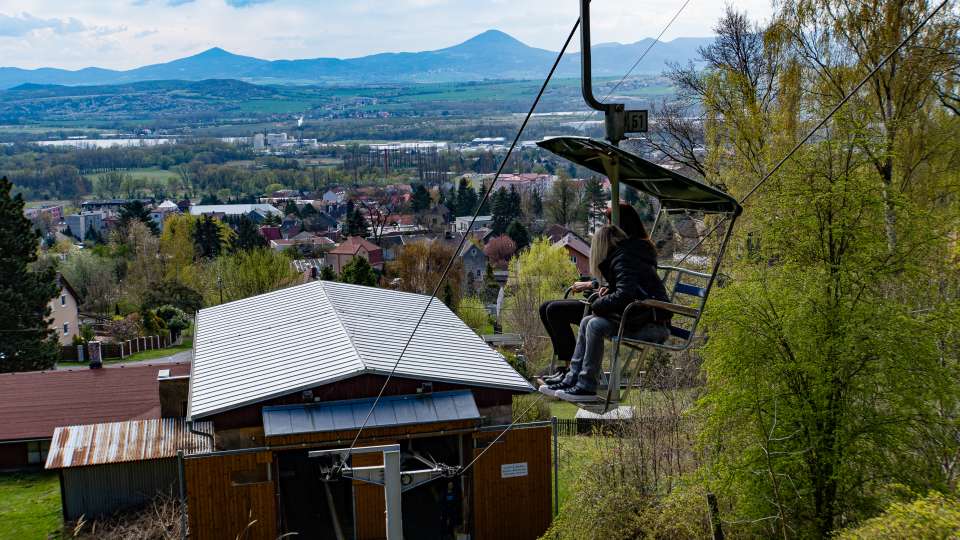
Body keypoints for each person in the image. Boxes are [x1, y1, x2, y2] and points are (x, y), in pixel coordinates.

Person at [540, 224, 672, 402]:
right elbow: (632, 289)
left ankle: (586, 386)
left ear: (601, 245)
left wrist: (598, 303)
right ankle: (573, 378)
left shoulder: (623, 258)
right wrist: (609, 290)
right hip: (640, 318)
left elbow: (626, 294)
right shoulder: (624, 255)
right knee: (588, 321)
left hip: (652, 325)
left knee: (594, 323)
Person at [538, 203, 650, 385]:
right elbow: (618, 278)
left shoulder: (630, 250)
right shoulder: (629, 247)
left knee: (554, 310)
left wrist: (596, 287)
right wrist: (594, 283)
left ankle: (570, 370)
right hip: (609, 299)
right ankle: (564, 367)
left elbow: (625, 281)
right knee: (545, 308)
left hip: (615, 308)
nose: (607, 227)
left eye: (610, 222)